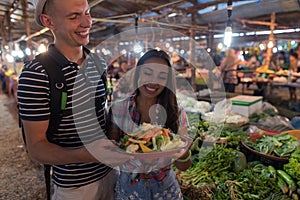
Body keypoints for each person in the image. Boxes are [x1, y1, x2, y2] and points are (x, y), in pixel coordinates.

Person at [17, 0, 129, 199]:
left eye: (87, 12)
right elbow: (36, 148)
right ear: (49, 21)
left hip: (114, 175)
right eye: (74, 16)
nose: (87, 23)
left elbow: (99, 113)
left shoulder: (97, 63)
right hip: (76, 188)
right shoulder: (36, 74)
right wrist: (86, 154)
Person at [107, 49, 192, 200]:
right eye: (148, 72)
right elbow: (112, 156)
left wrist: (183, 153)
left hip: (165, 190)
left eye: (162, 76)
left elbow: (184, 166)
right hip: (129, 189)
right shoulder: (119, 109)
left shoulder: (176, 113)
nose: (153, 81)